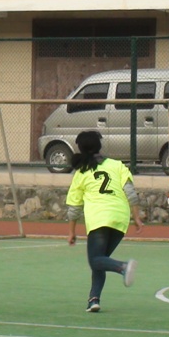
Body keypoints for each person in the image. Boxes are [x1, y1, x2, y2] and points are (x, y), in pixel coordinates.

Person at [65, 131, 142, 313]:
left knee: (95, 260)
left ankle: (123, 267)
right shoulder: (116, 165)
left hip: (99, 219)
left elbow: (74, 208)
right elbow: (131, 193)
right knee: (100, 261)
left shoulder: (81, 173)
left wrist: (71, 232)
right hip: (120, 218)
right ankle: (93, 300)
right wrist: (136, 217)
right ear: (99, 146)